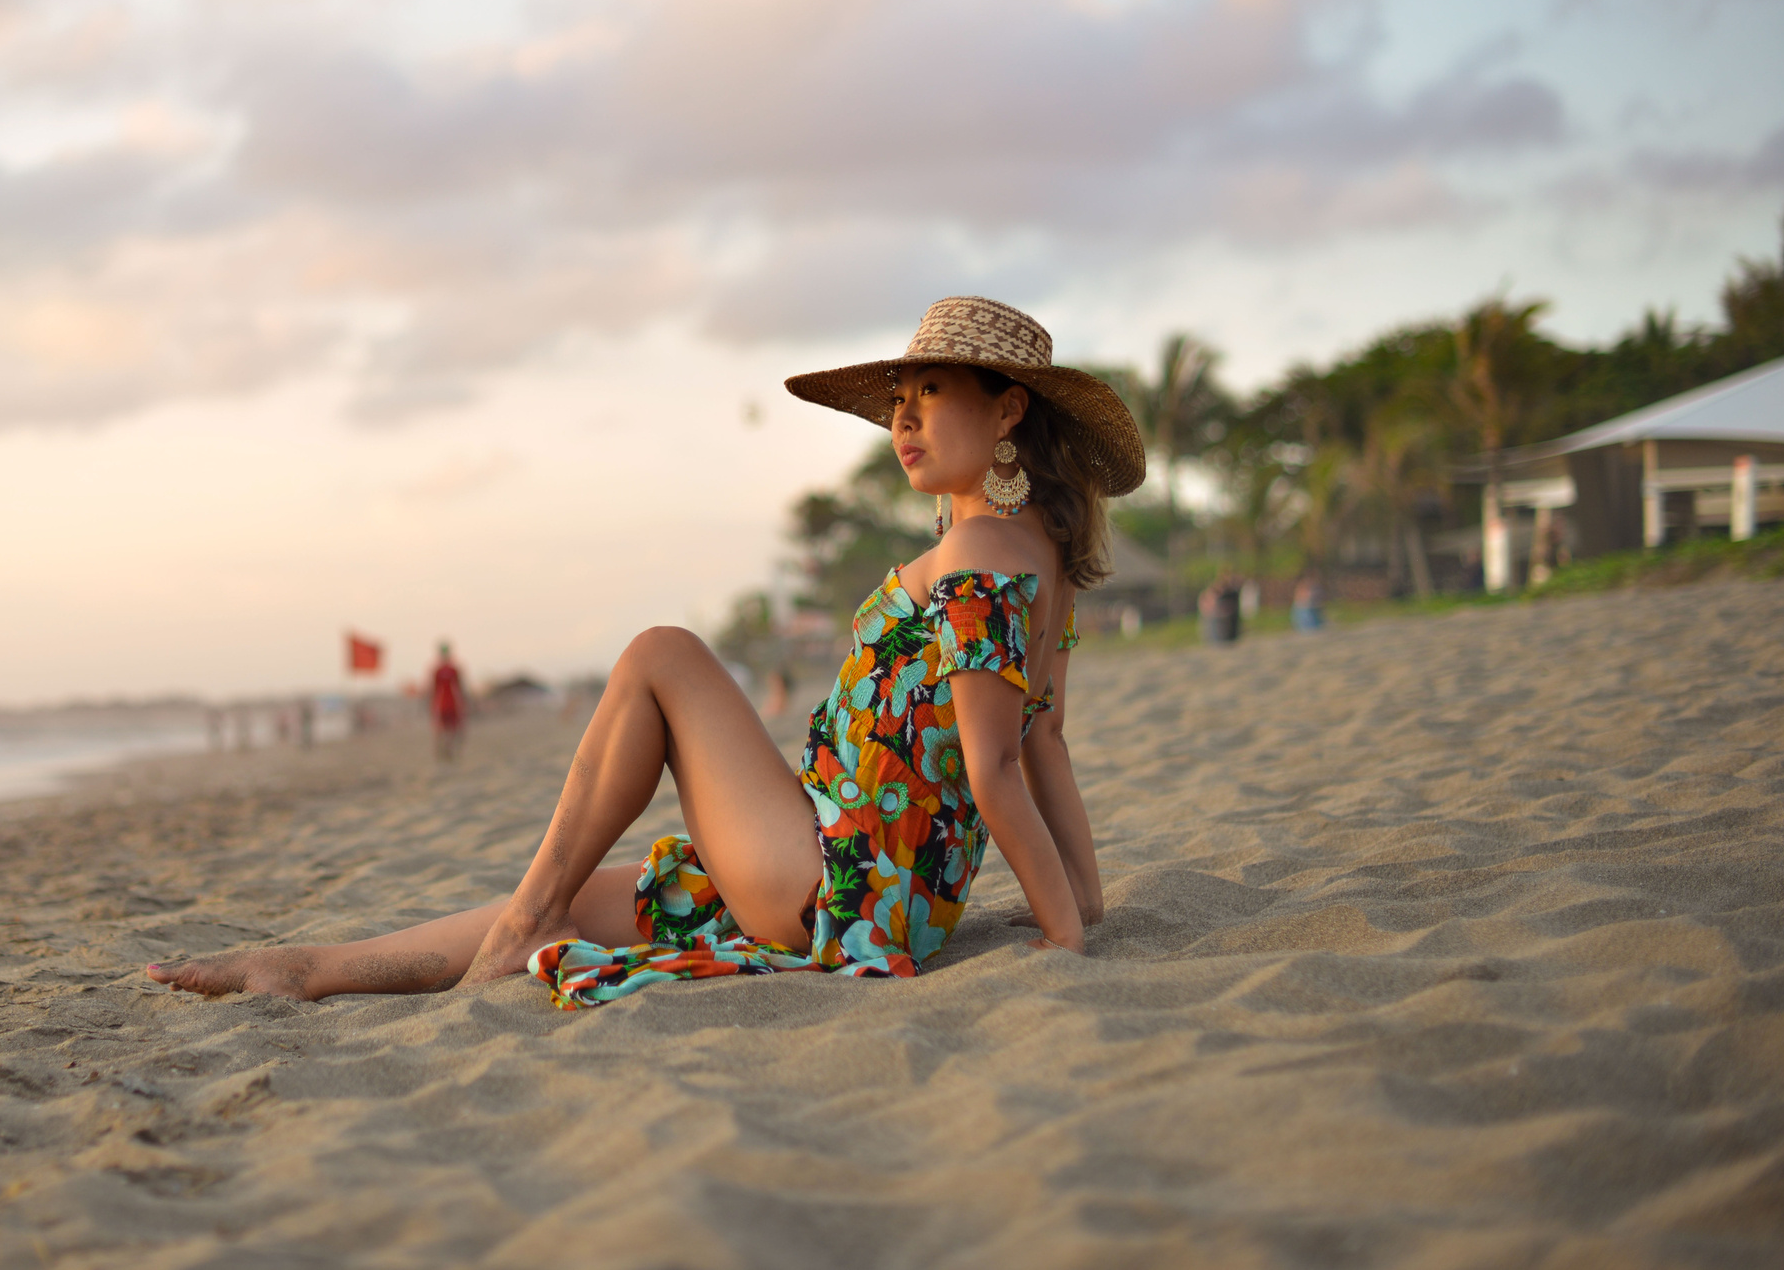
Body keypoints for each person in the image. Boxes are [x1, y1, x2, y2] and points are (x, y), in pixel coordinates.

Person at [147, 296, 1145, 1007]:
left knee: (661, 653)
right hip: (861, 879)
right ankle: (310, 966)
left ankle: (520, 923)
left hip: (844, 887)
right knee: (595, 890)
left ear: (1009, 407)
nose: (903, 417)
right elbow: (1048, 738)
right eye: (898, 398)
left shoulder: (975, 554)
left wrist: (1059, 932)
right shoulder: (1040, 562)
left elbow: (999, 760)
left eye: (931, 391)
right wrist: (1085, 897)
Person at [428, 641, 466, 763]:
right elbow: (460, 688)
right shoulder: (453, 669)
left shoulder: (437, 670)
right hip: (452, 702)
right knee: (454, 729)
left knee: (440, 729)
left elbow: (432, 690)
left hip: (440, 702)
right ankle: (447, 749)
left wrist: (430, 704)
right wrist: (465, 701)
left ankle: (440, 751)